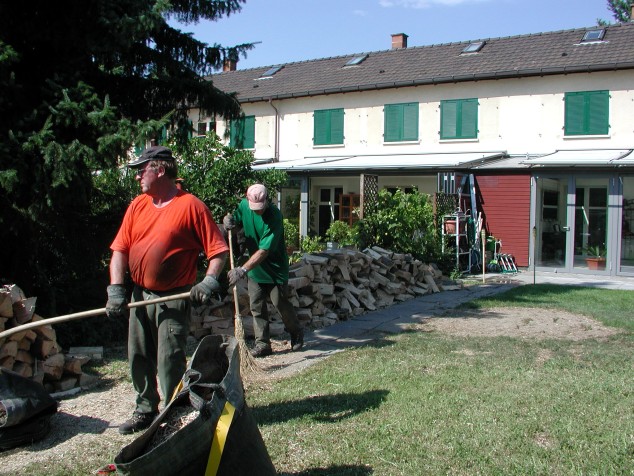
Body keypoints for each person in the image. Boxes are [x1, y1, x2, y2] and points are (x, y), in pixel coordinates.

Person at [105, 145, 228, 434]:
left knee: (169, 359)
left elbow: (218, 251)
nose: (137, 177)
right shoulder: (138, 205)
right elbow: (119, 250)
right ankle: (145, 409)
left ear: (159, 170)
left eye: (141, 170)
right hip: (139, 295)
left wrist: (209, 281)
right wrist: (116, 289)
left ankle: (172, 414)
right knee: (138, 355)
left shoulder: (191, 206)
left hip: (173, 297)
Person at [223, 184, 304, 358]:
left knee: (280, 304)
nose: (258, 211)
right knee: (257, 306)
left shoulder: (274, 216)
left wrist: (242, 269)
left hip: (274, 269)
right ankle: (262, 344)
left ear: (267, 199)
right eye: (254, 208)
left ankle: (296, 332)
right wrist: (228, 220)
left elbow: (264, 251)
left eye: (261, 208)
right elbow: (235, 218)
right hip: (255, 270)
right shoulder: (245, 206)